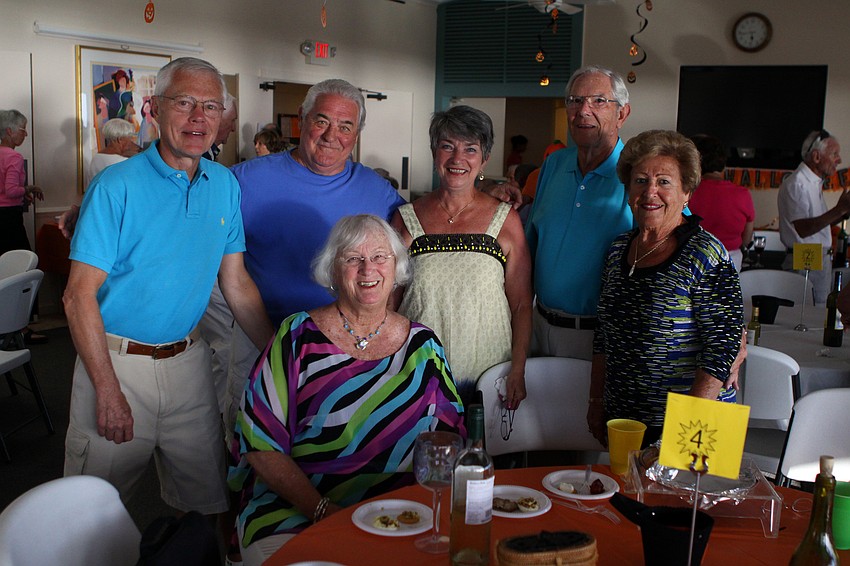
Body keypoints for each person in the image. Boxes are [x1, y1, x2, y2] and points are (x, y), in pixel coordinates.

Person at [62, 57, 274, 517]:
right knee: (88, 514)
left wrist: (281, 354)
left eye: (211, 107)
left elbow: (237, 285)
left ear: (222, 118)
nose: (199, 118)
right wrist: (108, 390)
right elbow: (77, 295)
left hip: (189, 367)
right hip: (117, 366)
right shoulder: (115, 186)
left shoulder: (224, 185)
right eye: (184, 103)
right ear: (154, 108)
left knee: (207, 507)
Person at [229, 214, 464, 565]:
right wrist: (324, 510)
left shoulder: (424, 345)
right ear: (333, 271)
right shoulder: (297, 336)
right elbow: (259, 444)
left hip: (399, 512)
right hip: (299, 508)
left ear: (396, 266)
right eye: (353, 259)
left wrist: (426, 508)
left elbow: (450, 436)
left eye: (380, 257)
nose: (368, 270)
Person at [587, 130, 743, 447]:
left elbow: (722, 348)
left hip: (693, 429)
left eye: (664, 182)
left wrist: (678, 440)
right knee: (624, 494)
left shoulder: (705, 254)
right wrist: (596, 403)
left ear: (687, 192)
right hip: (626, 421)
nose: (650, 192)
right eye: (641, 181)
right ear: (628, 188)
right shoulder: (618, 250)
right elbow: (603, 333)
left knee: (684, 498)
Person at [392, 106, 532, 409]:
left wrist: (518, 369)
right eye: (447, 146)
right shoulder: (406, 218)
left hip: (488, 373)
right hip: (417, 371)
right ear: (434, 152)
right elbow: (389, 301)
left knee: (481, 455)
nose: (457, 159)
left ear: (484, 159)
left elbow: (521, 304)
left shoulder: (505, 219)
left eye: (470, 149)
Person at [525, 65, 634, 360]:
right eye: (574, 101)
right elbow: (531, 242)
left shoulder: (640, 173)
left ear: (622, 114)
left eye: (599, 101)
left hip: (599, 337)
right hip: (538, 324)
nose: (583, 110)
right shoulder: (554, 164)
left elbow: (682, 245)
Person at [778, 129, 849, 304]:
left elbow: (818, 225)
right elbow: (803, 229)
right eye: (834, 154)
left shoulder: (813, 182)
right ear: (816, 157)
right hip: (805, 259)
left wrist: (844, 212)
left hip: (815, 258)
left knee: (816, 312)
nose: (839, 160)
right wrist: (839, 210)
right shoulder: (798, 183)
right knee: (807, 315)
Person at [0, 109, 46, 344]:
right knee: (23, 270)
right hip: (8, 221)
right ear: (9, 131)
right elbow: (10, 191)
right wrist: (28, 189)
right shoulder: (13, 157)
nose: (25, 135)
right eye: (23, 129)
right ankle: (22, 327)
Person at [688, 134, 755, 272]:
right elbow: (746, 239)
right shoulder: (743, 194)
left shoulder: (685, 192)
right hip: (731, 261)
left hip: (692, 259)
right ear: (723, 163)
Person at [86, 118, 141, 187]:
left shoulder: (96, 157)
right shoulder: (122, 162)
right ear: (120, 139)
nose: (131, 141)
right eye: (129, 138)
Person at [202, 92, 237, 162]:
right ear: (217, 121)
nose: (234, 128)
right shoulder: (199, 156)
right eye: (232, 120)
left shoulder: (210, 152)